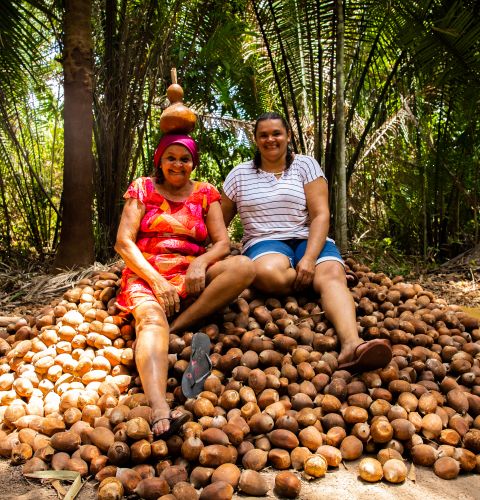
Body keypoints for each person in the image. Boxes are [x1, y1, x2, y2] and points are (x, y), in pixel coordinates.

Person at [221, 112, 392, 373]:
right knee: (267, 274)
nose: (270, 139)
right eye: (263, 135)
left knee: (332, 273)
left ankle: (351, 344)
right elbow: (218, 221)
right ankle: (320, 285)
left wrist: (310, 259)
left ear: (288, 136)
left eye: (276, 133)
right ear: (255, 139)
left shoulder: (305, 165)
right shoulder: (239, 175)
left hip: (306, 237)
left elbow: (321, 214)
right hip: (264, 241)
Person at [115, 133, 255, 436]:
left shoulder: (206, 192)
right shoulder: (143, 188)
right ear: (159, 161)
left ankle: (175, 327)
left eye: (184, 159)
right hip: (146, 273)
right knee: (151, 320)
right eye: (171, 158)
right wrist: (157, 281)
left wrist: (200, 263)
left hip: (190, 274)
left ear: (193, 163)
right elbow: (124, 243)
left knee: (243, 266)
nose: (178, 164)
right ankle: (160, 408)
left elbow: (222, 243)